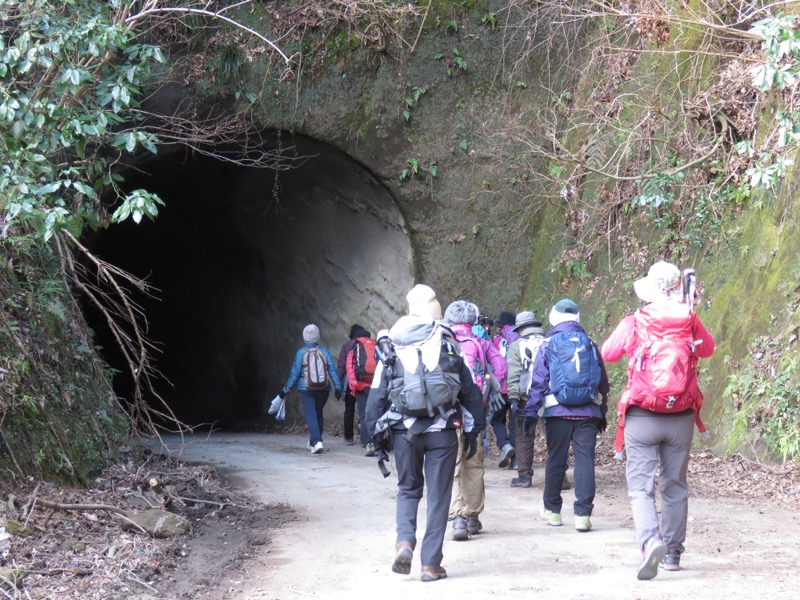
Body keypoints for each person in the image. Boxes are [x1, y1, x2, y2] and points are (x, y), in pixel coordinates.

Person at [600, 261, 714, 580]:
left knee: (641, 488)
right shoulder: (689, 320)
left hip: (642, 415)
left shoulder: (634, 321)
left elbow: (608, 352)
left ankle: (651, 541)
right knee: (675, 485)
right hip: (681, 417)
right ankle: (674, 552)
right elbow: (708, 350)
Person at [365, 284, 485, 582]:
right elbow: (469, 392)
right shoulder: (447, 340)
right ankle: (431, 564)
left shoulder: (390, 344)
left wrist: (375, 438)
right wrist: (473, 431)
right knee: (439, 496)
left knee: (408, 490)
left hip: (403, 431)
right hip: (442, 431)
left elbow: (376, 399)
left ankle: (404, 541)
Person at [524, 299, 609, 532]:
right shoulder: (590, 344)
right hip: (588, 413)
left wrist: (530, 413)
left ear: (554, 317)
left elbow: (539, 382)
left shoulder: (548, 343)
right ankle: (582, 515)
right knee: (585, 462)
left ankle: (552, 511)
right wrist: (601, 413)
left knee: (556, 460)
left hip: (557, 412)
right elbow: (603, 384)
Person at [443, 301, 506, 540]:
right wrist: (488, 393)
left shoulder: (443, 342)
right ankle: (472, 517)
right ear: (472, 321)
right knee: (474, 462)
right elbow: (499, 367)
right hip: (475, 410)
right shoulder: (481, 343)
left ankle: (457, 517)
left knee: (452, 463)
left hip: (448, 413)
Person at [281, 324, 342, 454]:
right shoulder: (324, 351)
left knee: (311, 414)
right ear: (318, 336)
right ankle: (315, 441)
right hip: (324, 388)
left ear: (304, 337)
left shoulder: (301, 353)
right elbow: (332, 370)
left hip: (306, 388)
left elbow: (295, 373)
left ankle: (316, 441)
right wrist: (338, 387)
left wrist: (285, 390)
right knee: (318, 414)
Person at [505, 311, 546, 488]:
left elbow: (513, 373)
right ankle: (560, 477)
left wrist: (513, 398)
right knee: (554, 437)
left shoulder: (517, 346)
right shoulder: (550, 341)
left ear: (520, 329)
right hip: (549, 396)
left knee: (524, 436)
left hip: (525, 397)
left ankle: (524, 476)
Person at [490, 310, 519, 469]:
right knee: (515, 423)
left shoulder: (496, 340)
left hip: (500, 388)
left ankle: (505, 445)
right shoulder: (520, 338)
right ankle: (516, 462)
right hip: (518, 389)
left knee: (496, 419)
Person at [345, 327, 378, 456]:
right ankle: (378, 441)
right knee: (375, 413)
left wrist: (355, 386)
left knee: (364, 415)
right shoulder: (376, 347)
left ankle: (368, 442)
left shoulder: (354, 350)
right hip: (375, 386)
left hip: (362, 387)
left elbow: (350, 368)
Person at [337, 324, 364, 446]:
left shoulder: (347, 346)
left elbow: (342, 366)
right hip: (365, 381)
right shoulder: (367, 344)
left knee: (349, 409)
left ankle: (349, 437)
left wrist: (338, 383)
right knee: (364, 410)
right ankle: (366, 438)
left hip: (350, 382)